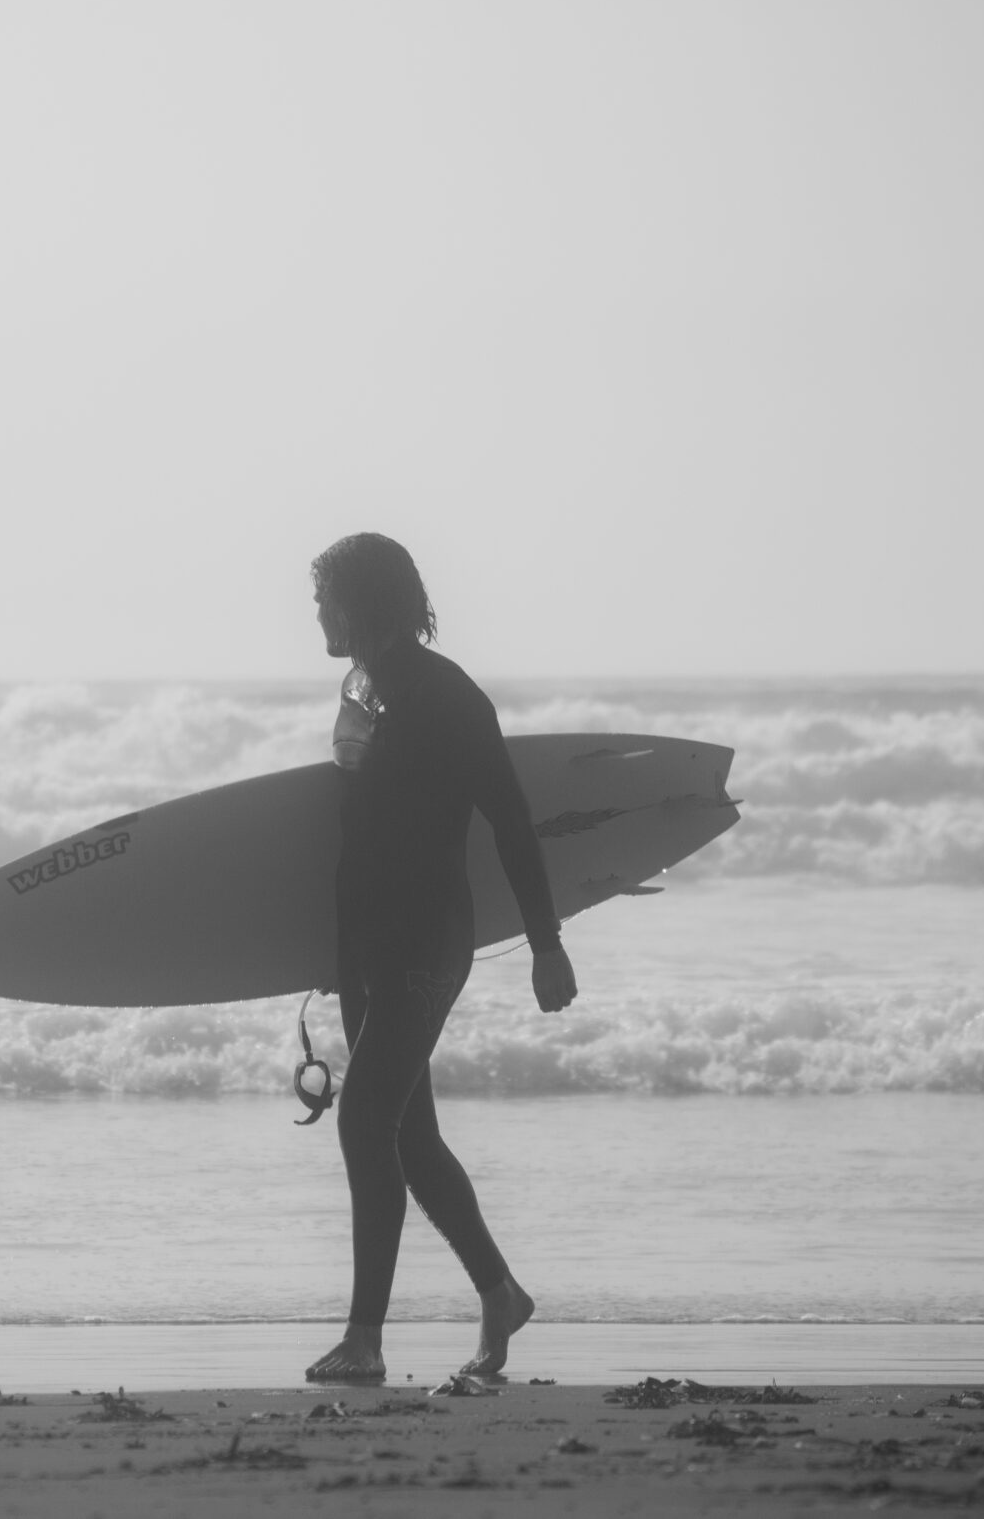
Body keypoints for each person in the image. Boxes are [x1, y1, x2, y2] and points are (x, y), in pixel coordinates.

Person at [303, 532, 576, 1387]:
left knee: (362, 1120)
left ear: (364, 602)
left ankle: (365, 1339)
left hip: (427, 940)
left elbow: (511, 819)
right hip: (367, 944)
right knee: (409, 1137)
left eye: (326, 597)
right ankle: (501, 1293)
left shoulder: (447, 697)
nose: (316, 613)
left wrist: (546, 944)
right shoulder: (363, 692)